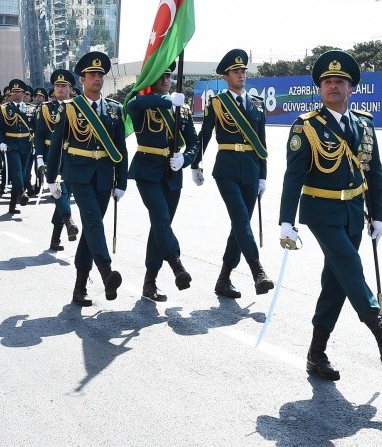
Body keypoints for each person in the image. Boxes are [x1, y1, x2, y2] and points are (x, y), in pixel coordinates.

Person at [279, 49, 382, 381]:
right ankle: (381, 330)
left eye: (339, 81)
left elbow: (374, 174)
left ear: (351, 87)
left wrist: (378, 215)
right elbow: (293, 175)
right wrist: (286, 220)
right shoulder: (306, 127)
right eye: (327, 81)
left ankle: (316, 354)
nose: (333, 86)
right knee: (350, 265)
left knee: (335, 283)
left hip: (355, 213)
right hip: (320, 211)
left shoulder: (364, 125)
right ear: (319, 88)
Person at [45, 51, 129, 307]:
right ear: (82, 79)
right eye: (92, 75)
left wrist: (121, 182)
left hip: (104, 175)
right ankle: (106, 272)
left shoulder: (115, 110)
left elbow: (121, 149)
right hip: (78, 174)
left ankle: (80, 286)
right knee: (93, 221)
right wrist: (51, 178)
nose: (97, 79)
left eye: (100, 75)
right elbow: (56, 145)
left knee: (91, 231)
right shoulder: (70, 109)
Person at [191, 48, 274, 299]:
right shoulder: (217, 103)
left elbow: (262, 142)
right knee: (240, 219)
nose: (241, 75)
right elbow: (204, 135)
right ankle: (257, 271)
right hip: (226, 168)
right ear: (226, 77)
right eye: (236, 71)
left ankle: (224, 279)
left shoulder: (257, 104)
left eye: (243, 71)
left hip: (250, 168)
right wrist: (196, 164)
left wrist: (263, 175)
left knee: (240, 226)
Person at [126, 61, 199, 301]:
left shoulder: (182, 109)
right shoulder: (143, 105)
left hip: (172, 172)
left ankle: (149, 282)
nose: (166, 81)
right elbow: (133, 103)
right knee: (161, 218)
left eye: (168, 76)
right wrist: (169, 101)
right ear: (151, 80)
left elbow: (194, 142)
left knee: (160, 226)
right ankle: (177, 266)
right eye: (160, 77)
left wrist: (185, 159)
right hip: (147, 171)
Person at [34, 68, 79, 251]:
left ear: (71, 89)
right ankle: (69, 221)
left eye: (64, 86)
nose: (60, 89)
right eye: (57, 86)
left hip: (71, 156)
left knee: (62, 194)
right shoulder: (45, 108)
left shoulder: (77, 107)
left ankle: (55, 239)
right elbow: (39, 134)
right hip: (51, 156)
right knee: (61, 191)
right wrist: (39, 158)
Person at [0, 79, 35, 215]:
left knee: (23, 173)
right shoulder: (4, 109)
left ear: (23, 93)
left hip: (25, 144)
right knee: (17, 171)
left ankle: (12, 205)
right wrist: (1, 142)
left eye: (18, 92)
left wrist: (35, 143)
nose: (15, 94)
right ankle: (22, 193)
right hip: (11, 144)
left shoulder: (31, 109)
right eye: (13, 91)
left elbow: (35, 128)